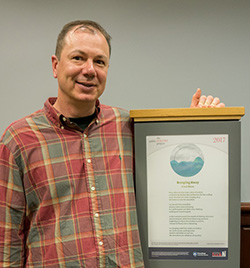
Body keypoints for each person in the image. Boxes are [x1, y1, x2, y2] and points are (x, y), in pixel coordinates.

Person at [0, 20, 225, 268]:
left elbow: (176, 170)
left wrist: (199, 124)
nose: (89, 70)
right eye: (78, 58)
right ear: (56, 65)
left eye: (99, 61)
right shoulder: (19, 140)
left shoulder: (130, 128)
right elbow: (7, 237)